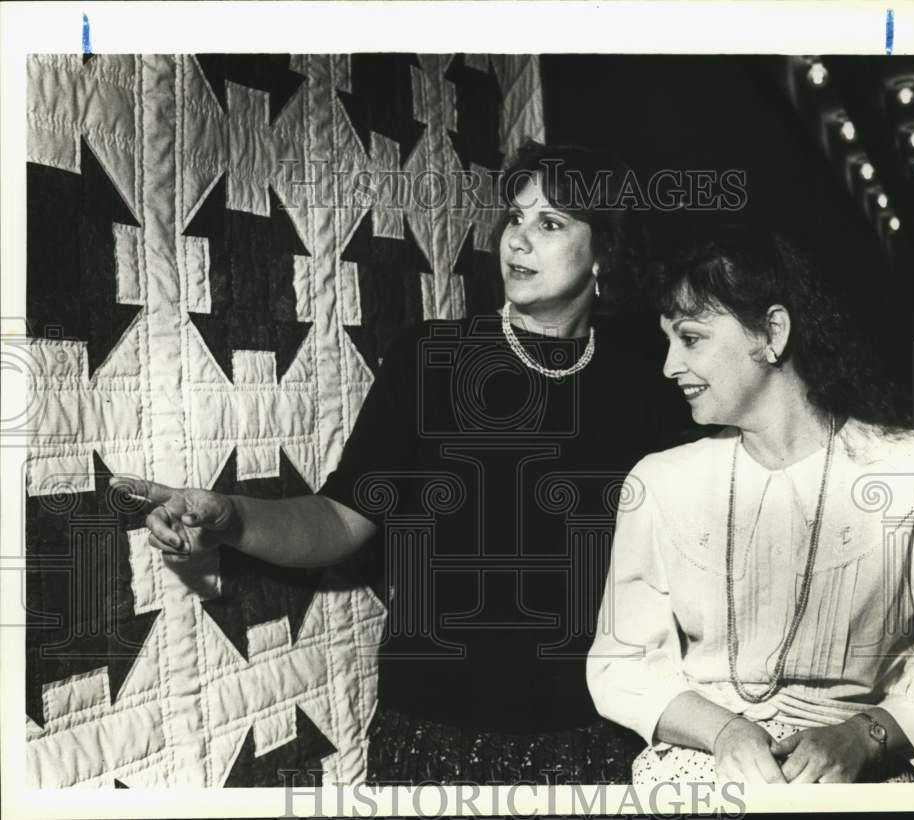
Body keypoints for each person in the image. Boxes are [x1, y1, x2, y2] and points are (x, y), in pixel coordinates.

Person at [113, 142, 690, 784]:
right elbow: (340, 518)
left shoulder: (650, 394)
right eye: (515, 218)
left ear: (603, 254)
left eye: (550, 223)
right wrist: (229, 517)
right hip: (430, 736)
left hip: (588, 742)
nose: (517, 240)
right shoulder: (431, 359)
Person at [587, 226, 914, 785]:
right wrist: (725, 732)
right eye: (667, 342)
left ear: (772, 332)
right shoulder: (659, 483)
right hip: (700, 773)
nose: (669, 366)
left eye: (691, 339)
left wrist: (865, 735)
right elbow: (621, 661)